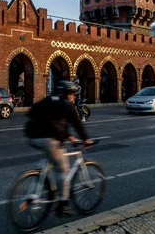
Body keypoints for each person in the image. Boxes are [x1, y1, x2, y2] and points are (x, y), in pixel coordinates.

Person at [25, 80, 93, 217]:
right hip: (49, 140)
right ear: (69, 94)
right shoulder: (67, 104)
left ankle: (46, 183)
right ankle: (63, 206)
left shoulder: (48, 100)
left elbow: (33, 113)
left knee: (51, 161)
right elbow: (77, 123)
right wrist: (85, 139)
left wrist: (67, 135)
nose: (73, 97)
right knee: (63, 170)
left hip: (33, 137)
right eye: (73, 94)